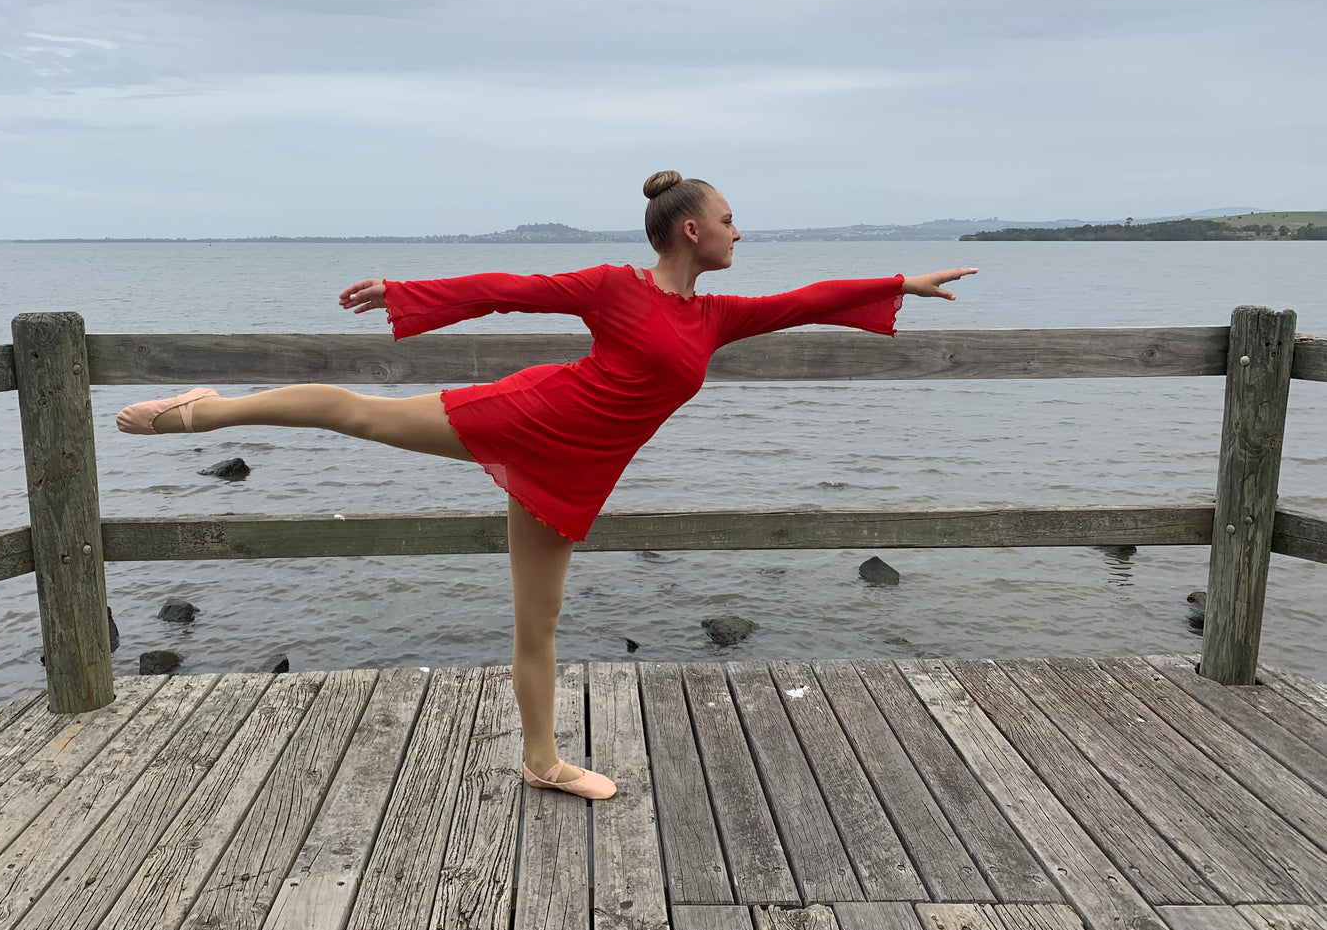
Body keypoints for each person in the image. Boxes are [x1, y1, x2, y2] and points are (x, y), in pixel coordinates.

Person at [117, 171, 976, 800]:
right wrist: (408, 290)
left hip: (577, 473)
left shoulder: (716, 317)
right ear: (689, 232)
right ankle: (209, 409)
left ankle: (542, 761)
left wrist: (901, 282)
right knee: (363, 415)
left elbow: (807, 298)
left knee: (541, 620)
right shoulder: (613, 288)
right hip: (530, 416)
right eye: (728, 219)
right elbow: (512, 290)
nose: (737, 233)